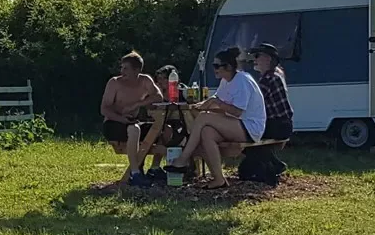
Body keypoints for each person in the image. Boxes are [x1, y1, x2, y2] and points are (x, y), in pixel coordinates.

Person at [176, 46, 265, 189]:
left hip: (250, 127)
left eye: (217, 66)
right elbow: (216, 101)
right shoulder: (225, 81)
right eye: (214, 65)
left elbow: (236, 111)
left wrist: (214, 104)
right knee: (206, 132)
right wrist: (200, 105)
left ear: (228, 67)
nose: (215, 69)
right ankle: (219, 178)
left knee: (204, 118)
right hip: (237, 124)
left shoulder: (242, 81)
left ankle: (183, 159)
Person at [99, 51, 163, 186]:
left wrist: (138, 104)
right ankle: (135, 174)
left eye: (126, 68)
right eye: (121, 68)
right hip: (114, 123)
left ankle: (155, 169)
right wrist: (122, 118)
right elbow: (104, 109)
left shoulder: (145, 80)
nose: (122, 71)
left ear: (137, 70)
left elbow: (158, 97)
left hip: (133, 121)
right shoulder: (114, 83)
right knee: (134, 130)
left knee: (165, 130)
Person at [250, 43, 294, 141]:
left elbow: (252, 102)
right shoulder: (277, 73)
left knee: (246, 132)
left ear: (268, 59)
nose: (254, 59)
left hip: (277, 125)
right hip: (283, 125)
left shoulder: (269, 78)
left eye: (257, 56)